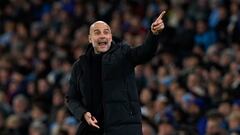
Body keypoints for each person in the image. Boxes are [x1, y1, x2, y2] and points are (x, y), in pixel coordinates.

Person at [65, 11, 166, 135]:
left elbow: (145, 52)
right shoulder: (80, 66)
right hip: (93, 129)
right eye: (97, 33)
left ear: (111, 37)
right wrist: (83, 113)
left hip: (125, 128)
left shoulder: (123, 54)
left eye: (106, 32)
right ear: (90, 39)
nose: (102, 36)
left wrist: (154, 34)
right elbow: (71, 98)